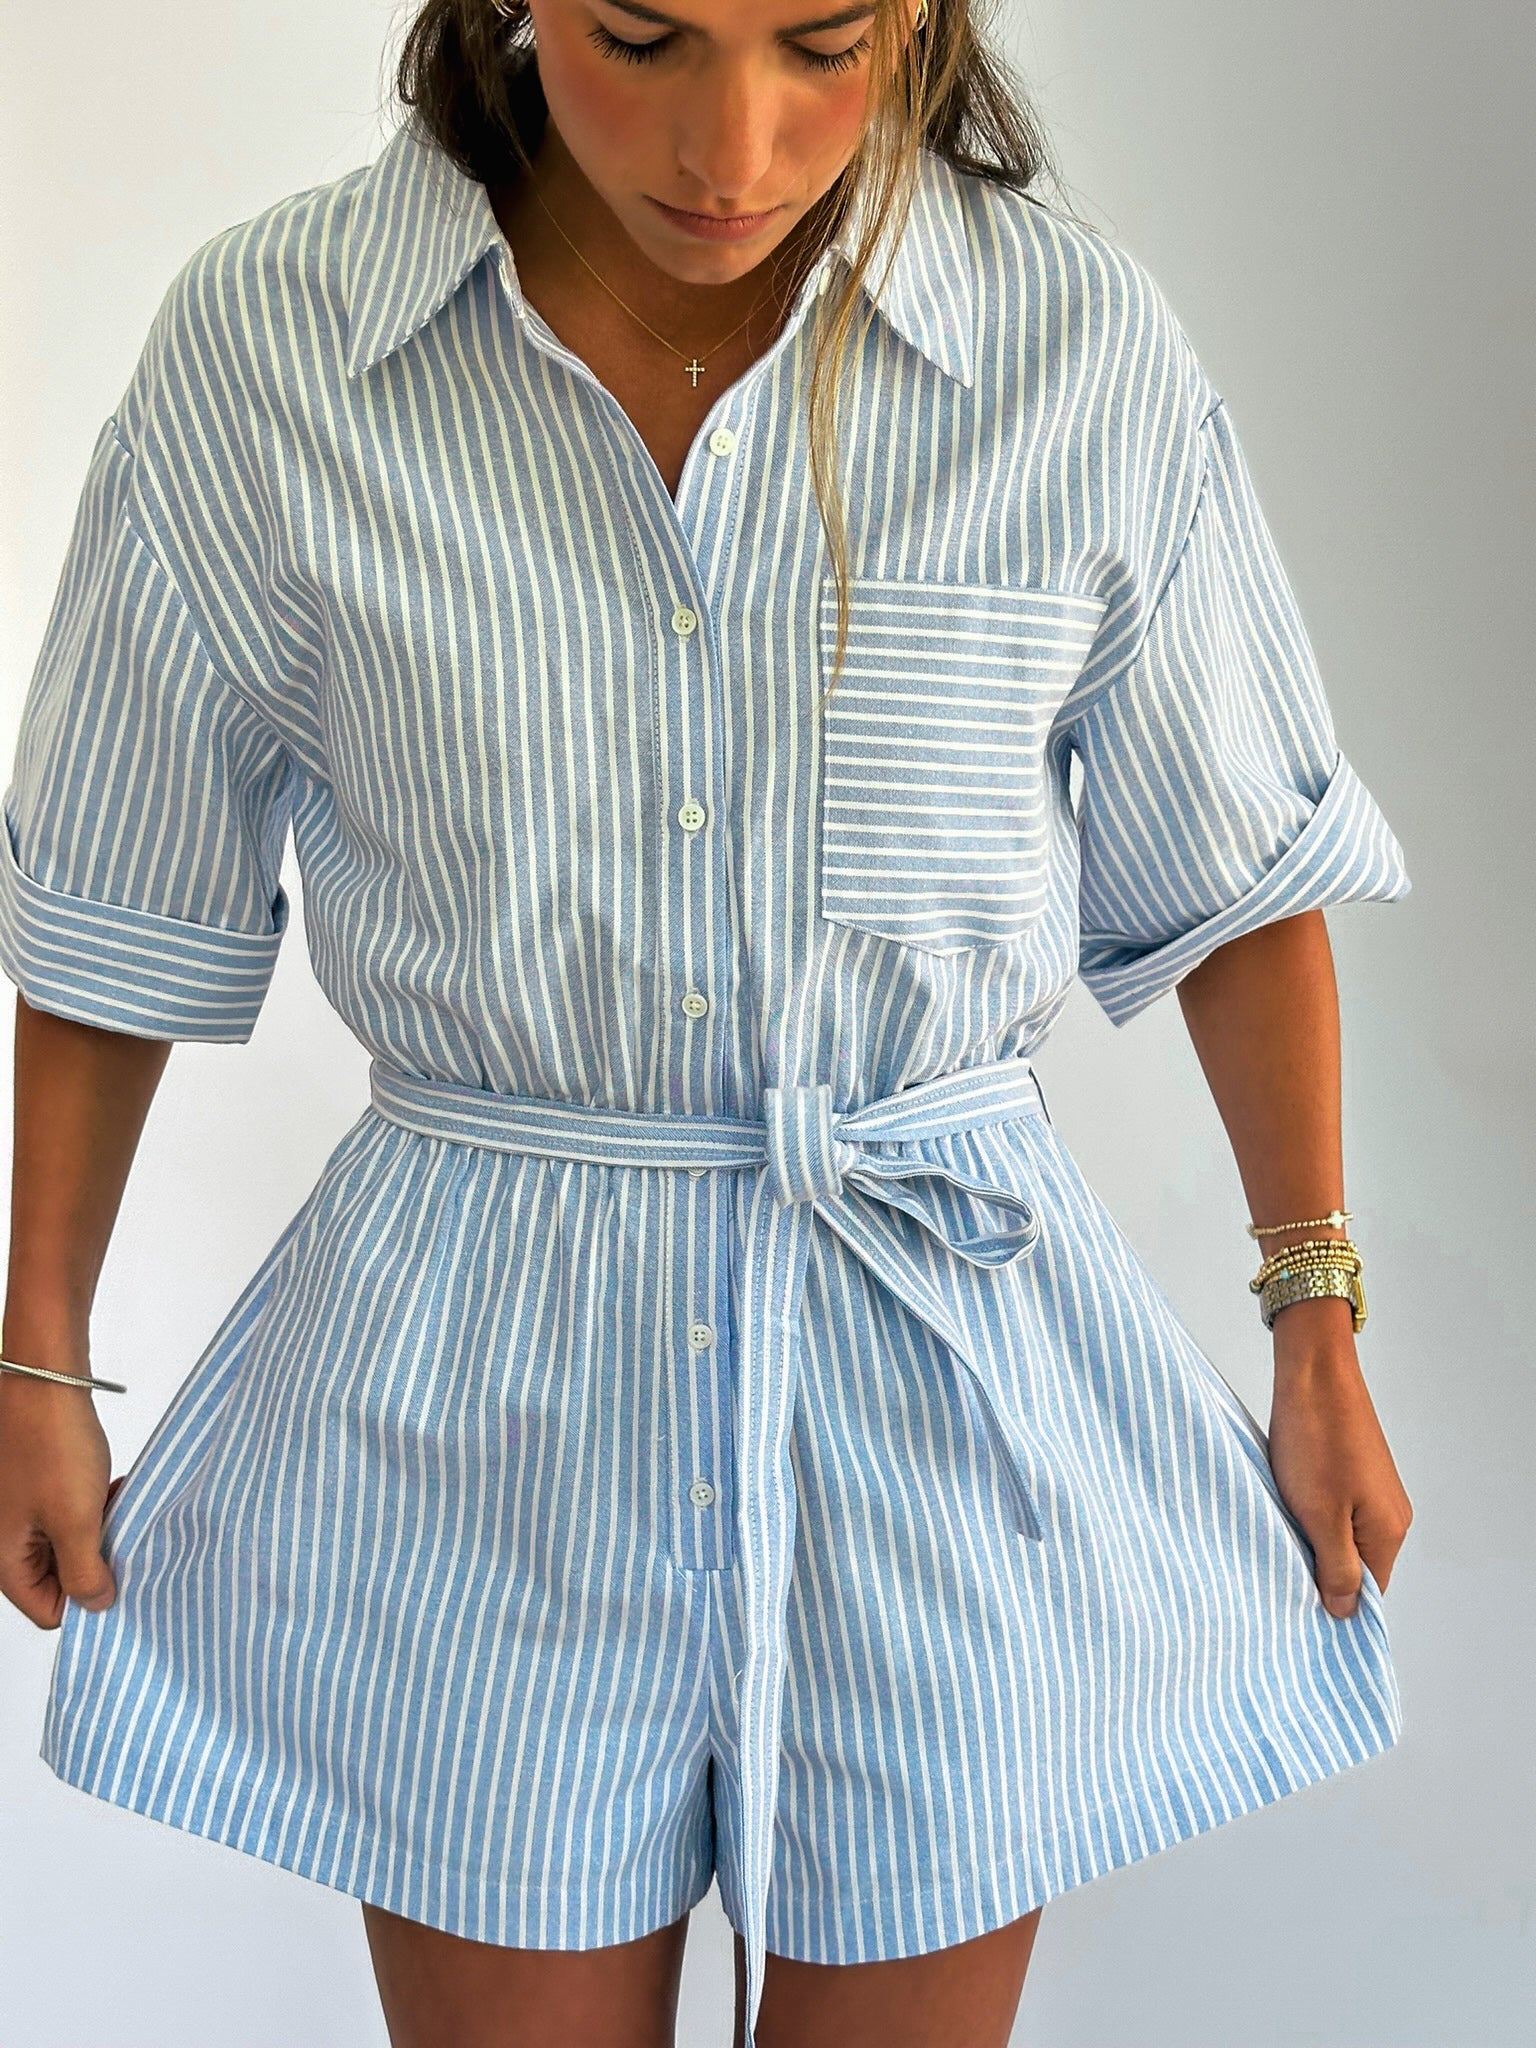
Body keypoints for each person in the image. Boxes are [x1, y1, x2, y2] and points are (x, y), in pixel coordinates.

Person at [0, 4, 1416, 2045]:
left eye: (820, 46)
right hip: (483, 1390)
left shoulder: (1073, 350)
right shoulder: (272, 351)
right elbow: (116, 895)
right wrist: (41, 1339)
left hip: (933, 1388)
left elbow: (1239, 880)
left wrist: (1317, 1315)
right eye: (645, 39)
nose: (730, 146)